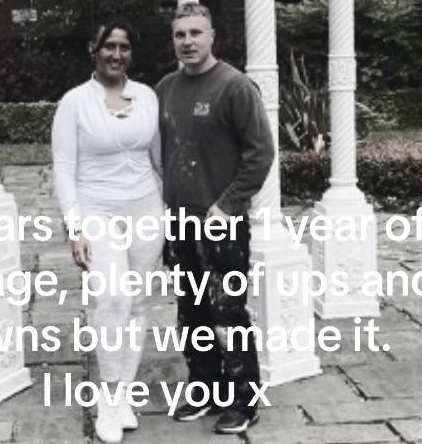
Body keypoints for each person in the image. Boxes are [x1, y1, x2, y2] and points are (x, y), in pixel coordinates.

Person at [155, 3, 274, 434]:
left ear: (212, 36)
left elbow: (260, 155)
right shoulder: (165, 88)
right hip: (181, 224)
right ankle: (204, 388)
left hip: (222, 225)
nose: (187, 41)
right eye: (180, 34)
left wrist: (226, 206)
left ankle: (244, 400)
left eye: (195, 33)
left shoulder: (235, 87)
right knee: (191, 313)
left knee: (228, 314)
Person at [51, 18, 163, 444]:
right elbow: (63, 169)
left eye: (124, 47)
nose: (116, 54)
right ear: (92, 50)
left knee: (136, 302)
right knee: (111, 298)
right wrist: (75, 227)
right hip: (97, 210)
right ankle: (107, 399)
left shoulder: (148, 97)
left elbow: (158, 160)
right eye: (108, 46)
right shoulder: (74, 103)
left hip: (146, 210)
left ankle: (123, 397)